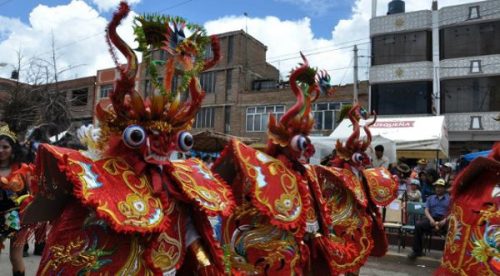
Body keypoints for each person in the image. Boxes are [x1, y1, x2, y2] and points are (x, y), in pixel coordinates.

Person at [23, 3, 234, 275]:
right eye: (147, 136)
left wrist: (205, 262)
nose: (160, 144)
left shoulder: (180, 184)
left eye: (171, 138)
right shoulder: (100, 180)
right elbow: (81, 234)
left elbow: (189, 230)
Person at [0, 124, 30, 276]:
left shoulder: (23, 169)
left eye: (5, 147)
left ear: (12, 149)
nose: (1, 151)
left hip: (18, 219)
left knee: (15, 257)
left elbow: (32, 194)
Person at [408, 178, 450, 259]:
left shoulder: (449, 199)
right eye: (437, 187)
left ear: (444, 188)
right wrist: (431, 220)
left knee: (453, 229)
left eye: (441, 187)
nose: (438, 188)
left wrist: (445, 220)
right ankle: (417, 251)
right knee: (419, 225)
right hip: (432, 218)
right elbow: (426, 210)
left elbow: (453, 212)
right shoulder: (430, 198)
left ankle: (447, 255)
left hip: (444, 219)